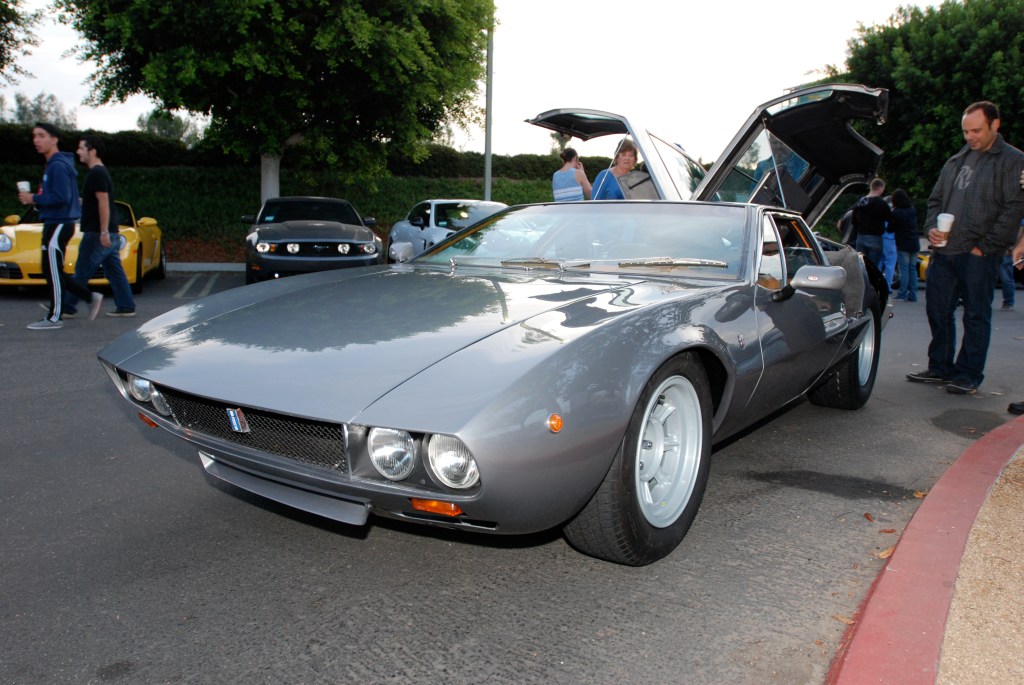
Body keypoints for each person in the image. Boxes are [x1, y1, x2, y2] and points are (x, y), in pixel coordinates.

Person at [907, 101, 1024, 395]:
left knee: (975, 314)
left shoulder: (1012, 160)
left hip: (980, 254)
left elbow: (1014, 207)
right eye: (965, 132)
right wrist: (931, 228)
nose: (970, 137)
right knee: (937, 309)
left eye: (976, 130)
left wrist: (986, 247)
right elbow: (934, 201)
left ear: (995, 125)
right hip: (944, 252)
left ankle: (968, 373)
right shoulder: (956, 160)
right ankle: (940, 367)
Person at [17, 122, 102, 330]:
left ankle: (55, 316)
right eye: (34, 136)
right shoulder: (55, 164)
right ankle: (89, 296)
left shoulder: (57, 165)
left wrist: (34, 198)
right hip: (56, 223)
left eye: (41, 135)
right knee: (51, 269)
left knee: (53, 269)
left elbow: (61, 197)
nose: (36, 140)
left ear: (54, 139)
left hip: (58, 224)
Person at [63, 135, 136, 317]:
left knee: (82, 270)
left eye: (81, 148)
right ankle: (126, 306)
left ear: (92, 151)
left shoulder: (97, 173)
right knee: (114, 270)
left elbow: (103, 202)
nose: (78, 152)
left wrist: (103, 231)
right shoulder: (99, 173)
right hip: (107, 231)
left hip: (97, 232)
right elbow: (93, 202)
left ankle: (66, 306)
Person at [849, 177, 893, 274]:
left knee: (861, 265)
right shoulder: (882, 204)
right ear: (880, 187)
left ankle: (862, 286)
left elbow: (853, 219)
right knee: (873, 267)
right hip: (875, 238)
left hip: (861, 236)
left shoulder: (861, 201)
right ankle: (872, 287)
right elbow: (890, 220)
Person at [891, 189, 920, 301]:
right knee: (912, 269)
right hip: (914, 243)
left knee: (904, 269)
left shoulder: (897, 212)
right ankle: (913, 294)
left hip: (903, 244)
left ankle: (902, 293)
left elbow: (890, 228)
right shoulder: (912, 209)